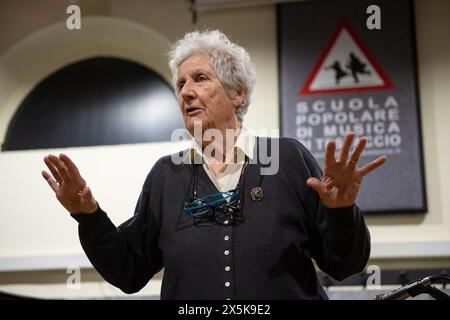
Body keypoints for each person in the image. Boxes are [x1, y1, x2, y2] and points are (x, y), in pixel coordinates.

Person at [41, 30, 386, 300]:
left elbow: (345, 265)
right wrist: (88, 215)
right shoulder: (167, 175)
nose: (186, 92)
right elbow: (128, 271)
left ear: (237, 93)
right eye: (180, 84)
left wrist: (342, 211)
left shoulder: (288, 160)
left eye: (200, 79)